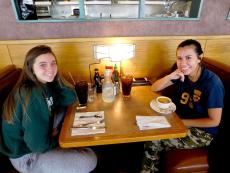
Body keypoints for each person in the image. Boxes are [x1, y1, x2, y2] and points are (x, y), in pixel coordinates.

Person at [0, 45, 97, 173]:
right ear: (31, 69)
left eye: (53, 63)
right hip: (27, 156)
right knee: (90, 160)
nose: (50, 68)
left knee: (65, 113)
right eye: (43, 65)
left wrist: (56, 78)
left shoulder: (44, 85)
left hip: (39, 137)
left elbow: (70, 98)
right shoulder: (32, 94)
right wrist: (57, 141)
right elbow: (37, 146)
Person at [141, 39, 225, 173]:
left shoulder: (212, 83)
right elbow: (154, 88)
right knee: (148, 129)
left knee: (153, 140)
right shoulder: (181, 73)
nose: (183, 63)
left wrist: (180, 122)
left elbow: (215, 121)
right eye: (179, 58)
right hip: (181, 122)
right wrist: (171, 75)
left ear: (199, 58)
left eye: (188, 58)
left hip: (203, 133)